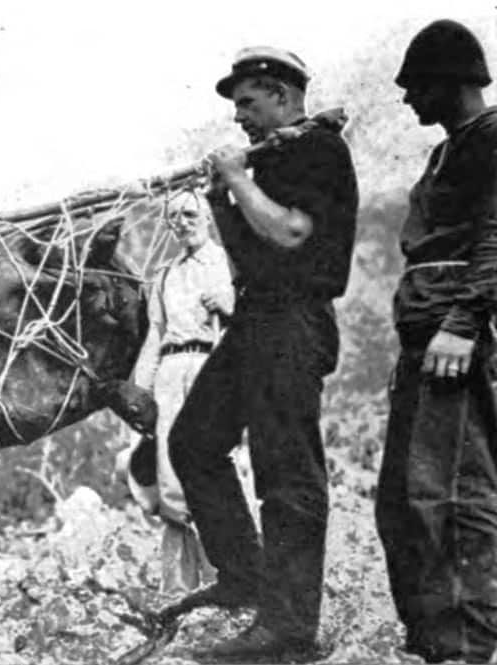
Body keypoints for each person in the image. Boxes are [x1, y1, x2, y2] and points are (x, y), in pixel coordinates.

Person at [166, 47, 358, 661]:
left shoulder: (319, 151)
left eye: (248, 102)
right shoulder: (273, 159)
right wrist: (223, 195)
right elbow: (251, 251)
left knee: (286, 472)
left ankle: (290, 629)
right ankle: (244, 578)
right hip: (257, 318)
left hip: (296, 321)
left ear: (281, 94)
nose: (240, 118)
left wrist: (241, 180)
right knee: (193, 442)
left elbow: (291, 233)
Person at [376, 19, 497, 663]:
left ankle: (469, 646)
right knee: (401, 499)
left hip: (454, 335)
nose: (406, 99)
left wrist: (463, 323)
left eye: (416, 85)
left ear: (450, 82)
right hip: (422, 338)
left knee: (449, 494)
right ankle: (430, 640)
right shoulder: (446, 151)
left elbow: (495, 238)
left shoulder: (493, 139)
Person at [114, 190, 237, 598]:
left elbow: (255, 317)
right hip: (170, 368)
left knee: (216, 468)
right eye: (173, 217)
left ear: (206, 217)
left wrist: (230, 304)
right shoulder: (165, 275)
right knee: (170, 477)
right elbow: (156, 335)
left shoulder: (227, 262)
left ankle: (232, 580)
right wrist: (141, 392)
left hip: (212, 366)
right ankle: (179, 590)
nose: (182, 222)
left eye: (189, 214)